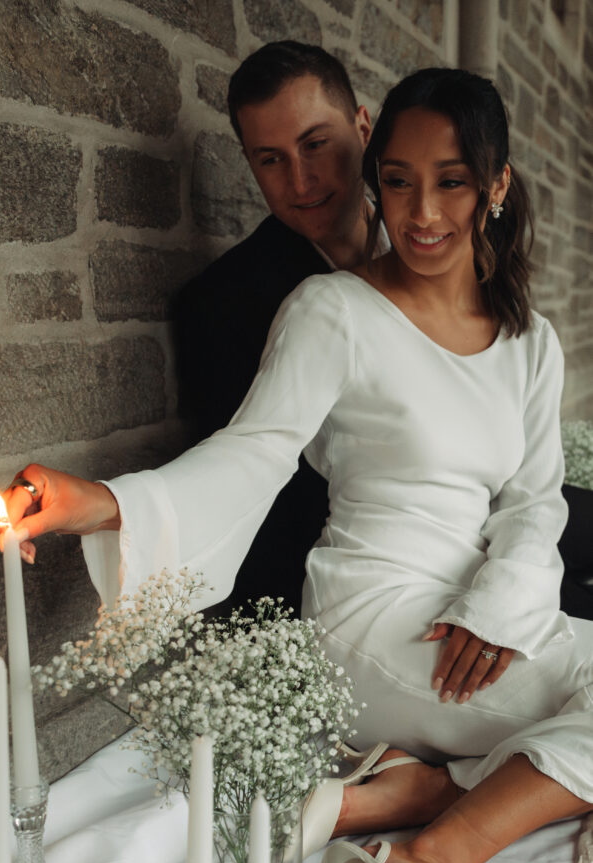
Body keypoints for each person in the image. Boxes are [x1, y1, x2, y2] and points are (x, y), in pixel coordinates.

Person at [0, 68, 593, 863]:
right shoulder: (332, 311)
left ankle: (408, 798)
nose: (421, 212)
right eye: (397, 181)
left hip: (476, 608)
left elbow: (533, 503)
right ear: (376, 181)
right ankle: (436, 855)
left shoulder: (529, 340)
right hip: (372, 615)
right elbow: (254, 452)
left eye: (449, 181)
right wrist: (102, 502)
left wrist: (500, 606)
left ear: (496, 184)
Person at [173, 41, 382, 612]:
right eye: (271, 159)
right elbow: (254, 500)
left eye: (315, 144)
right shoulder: (220, 305)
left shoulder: (433, 238)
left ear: (362, 128)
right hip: (347, 590)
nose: (301, 181)